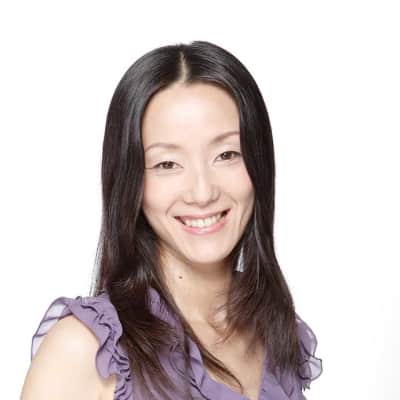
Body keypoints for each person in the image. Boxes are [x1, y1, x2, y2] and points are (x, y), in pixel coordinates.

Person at [20, 40, 323, 400]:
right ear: (131, 181)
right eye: (167, 163)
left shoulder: (277, 333)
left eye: (227, 154)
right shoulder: (83, 351)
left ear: (260, 162)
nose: (202, 192)